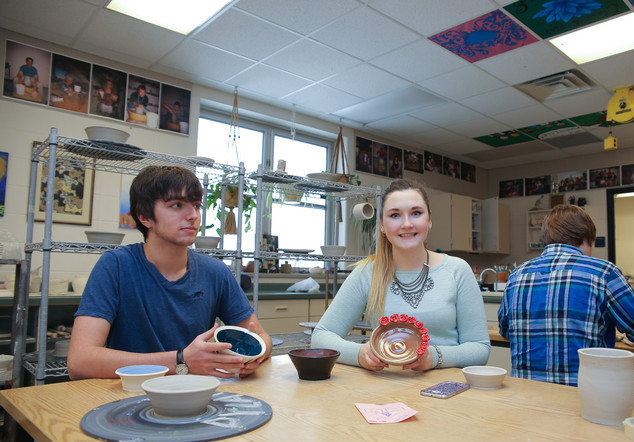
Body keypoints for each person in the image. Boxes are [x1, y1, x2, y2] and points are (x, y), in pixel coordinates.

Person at [68, 165, 272, 380]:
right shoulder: (116, 266)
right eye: (176, 205)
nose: (193, 215)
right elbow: (80, 362)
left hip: (196, 396)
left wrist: (255, 356)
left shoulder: (215, 272)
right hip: (131, 396)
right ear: (145, 217)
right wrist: (181, 360)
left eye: (196, 205)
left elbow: (262, 337)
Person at [311, 179, 490, 372]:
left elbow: (479, 348)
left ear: (429, 220)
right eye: (395, 215)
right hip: (386, 393)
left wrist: (434, 356)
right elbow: (321, 336)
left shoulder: (457, 270)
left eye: (416, 213)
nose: (406, 224)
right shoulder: (367, 273)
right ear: (381, 225)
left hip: (447, 390)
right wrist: (359, 354)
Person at [498, 204, 634, 386]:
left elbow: (505, 330)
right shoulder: (604, 272)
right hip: (586, 395)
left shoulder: (516, 276)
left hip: (525, 395)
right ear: (586, 238)